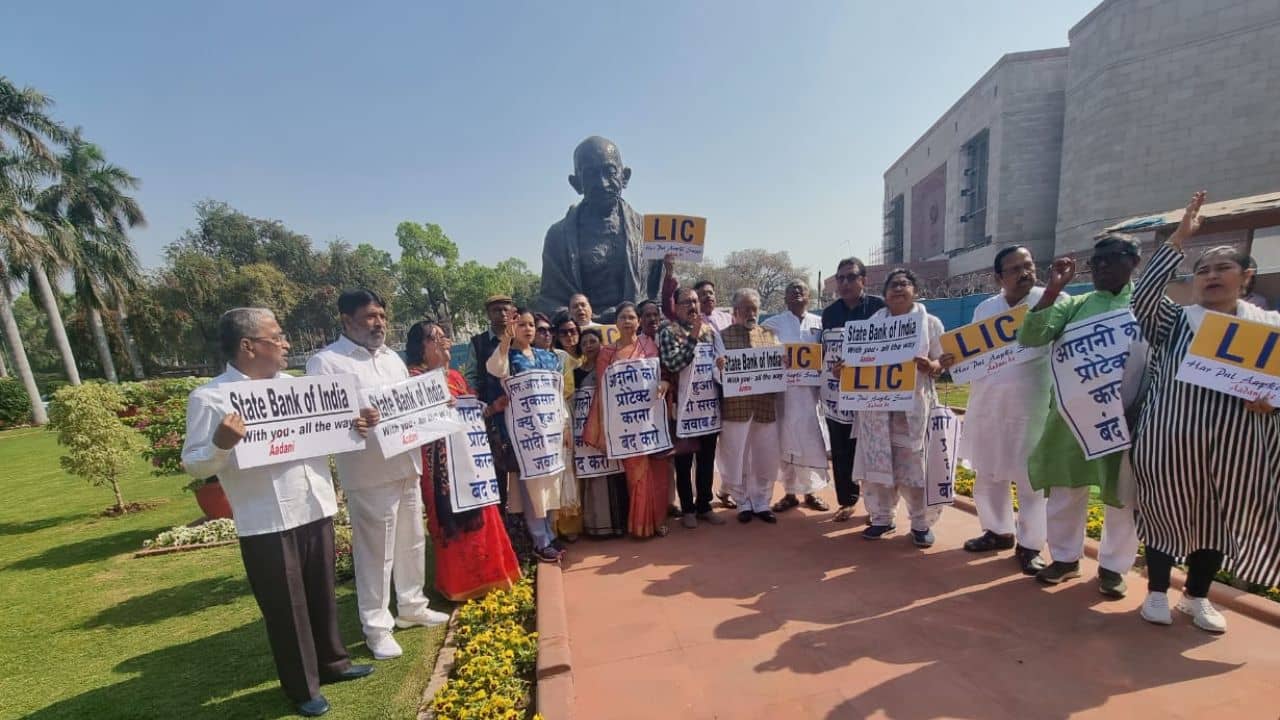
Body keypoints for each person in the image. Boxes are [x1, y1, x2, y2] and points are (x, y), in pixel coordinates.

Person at [182, 308, 373, 717]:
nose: (286, 344)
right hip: (266, 520)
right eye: (278, 337)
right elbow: (195, 464)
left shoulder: (299, 388)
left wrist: (355, 425)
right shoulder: (211, 398)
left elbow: (327, 435)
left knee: (322, 595)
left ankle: (335, 664)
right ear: (249, 346)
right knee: (286, 608)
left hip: (314, 505)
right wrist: (220, 443)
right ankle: (303, 688)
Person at [1131, 191, 1280, 632]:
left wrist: (1272, 402)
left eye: (1222, 268)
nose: (1211, 276)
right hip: (1170, 438)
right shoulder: (1175, 321)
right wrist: (1179, 239)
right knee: (1163, 511)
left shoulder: (1269, 328)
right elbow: (1144, 295)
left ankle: (1196, 597)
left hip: (1240, 445)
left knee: (1219, 519)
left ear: (1246, 276)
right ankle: (1156, 593)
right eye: (1203, 270)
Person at [307, 289, 447, 661]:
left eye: (382, 316)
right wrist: (352, 423)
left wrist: (435, 404)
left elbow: (408, 406)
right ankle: (376, 627)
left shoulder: (391, 360)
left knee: (412, 541)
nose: (379, 323)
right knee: (376, 554)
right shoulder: (326, 363)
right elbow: (322, 424)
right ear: (346, 320)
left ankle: (412, 606)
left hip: (406, 464)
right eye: (370, 316)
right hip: (368, 473)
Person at [1017, 237, 1144, 597]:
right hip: (1072, 418)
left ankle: (1113, 568)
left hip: (1126, 419)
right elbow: (1031, 334)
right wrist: (1054, 289)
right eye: (1096, 261)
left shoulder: (1148, 304)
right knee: (1066, 489)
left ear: (1134, 262)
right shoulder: (1073, 305)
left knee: (1122, 494)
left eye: (1111, 259)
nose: (1101, 266)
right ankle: (1065, 559)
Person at [940, 247, 1053, 575]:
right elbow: (970, 356)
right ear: (999, 277)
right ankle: (997, 531)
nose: (1024, 273)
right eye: (1015, 268)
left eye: (1028, 265)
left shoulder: (1050, 301)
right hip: (988, 405)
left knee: (1031, 480)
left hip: (1033, 407)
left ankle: (1031, 545)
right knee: (988, 473)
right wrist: (952, 361)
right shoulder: (986, 308)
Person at [404, 320, 521, 601]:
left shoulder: (455, 378)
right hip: (439, 466)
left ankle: (493, 576)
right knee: (452, 523)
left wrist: (492, 408)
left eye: (446, 336)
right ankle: (460, 585)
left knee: (485, 514)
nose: (446, 342)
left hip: (471, 462)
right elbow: (410, 425)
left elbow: (470, 416)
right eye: (438, 338)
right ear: (422, 346)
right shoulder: (412, 380)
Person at [854, 270, 946, 546]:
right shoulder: (870, 327)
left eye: (904, 284)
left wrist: (931, 367)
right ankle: (882, 518)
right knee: (879, 468)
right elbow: (857, 363)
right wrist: (843, 371)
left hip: (913, 411)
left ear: (915, 291)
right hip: (876, 412)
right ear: (884, 295)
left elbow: (942, 363)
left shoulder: (930, 324)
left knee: (914, 471)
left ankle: (920, 524)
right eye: (892, 286)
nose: (898, 289)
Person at [536, 136, 662, 322]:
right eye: (590, 174)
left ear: (624, 176)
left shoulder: (650, 231)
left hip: (637, 334)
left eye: (609, 172)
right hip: (584, 337)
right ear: (576, 183)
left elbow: (659, 296)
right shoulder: (558, 236)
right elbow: (549, 301)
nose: (602, 183)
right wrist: (586, 319)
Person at [485, 308, 567, 563]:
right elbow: (495, 368)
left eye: (531, 324)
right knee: (531, 488)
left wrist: (564, 425)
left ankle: (550, 532)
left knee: (550, 483)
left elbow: (556, 393)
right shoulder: (508, 357)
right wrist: (506, 339)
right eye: (522, 325)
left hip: (550, 433)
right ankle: (540, 541)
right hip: (525, 436)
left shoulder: (548, 357)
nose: (529, 329)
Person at [586, 301, 672, 538]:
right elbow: (603, 392)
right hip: (625, 428)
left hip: (650, 422)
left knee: (657, 472)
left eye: (631, 317)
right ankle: (640, 525)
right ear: (616, 323)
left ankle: (659, 520)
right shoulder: (607, 353)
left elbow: (661, 374)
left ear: (638, 321)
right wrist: (603, 430)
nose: (627, 322)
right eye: (622, 317)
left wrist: (665, 383)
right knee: (636, 475)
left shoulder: (649, 345)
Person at [822, 257, 887, 522]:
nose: (845, 283)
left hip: (871, 394)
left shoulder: (879, 309)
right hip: (836, 394)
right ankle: (847, 500)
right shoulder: (829, 313)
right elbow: (826, 352)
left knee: (873, 448)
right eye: (841, 278)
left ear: (864, 279)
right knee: (841, 449)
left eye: (851, 277)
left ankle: (878, 507)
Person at [714, 288, 784, 523]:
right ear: (736, 311)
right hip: (736, 407)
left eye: (754, 308)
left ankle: (762, 502)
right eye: (746, 308)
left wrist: (783, 362)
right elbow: (715, 371)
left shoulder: (770, 335)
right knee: (737, 456)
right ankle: (743, 502)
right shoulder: (722, 336)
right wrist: (720, 368)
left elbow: (780, 368)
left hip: (764, 406)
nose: (751, 313)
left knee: (765, 455)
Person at [659, 287, 727, 529]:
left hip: (708, 408)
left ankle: (704, 506)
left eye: (695, 301)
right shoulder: (668, 332)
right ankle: (687, 508)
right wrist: (692, 338)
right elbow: (673, 362)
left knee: (707, 460)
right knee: (684, 461)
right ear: (676, 307)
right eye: (687, 301)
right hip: (683, 409)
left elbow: (720, 365)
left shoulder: (710, 332)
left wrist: (721, 364)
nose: (693, 306)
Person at [762, 279, 830, 513]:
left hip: (812, 397)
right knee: (786, 442)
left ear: (809, 295)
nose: (797, 291)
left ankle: (811, 492)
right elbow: (761, 349)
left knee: (812, 443)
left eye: (801, 288)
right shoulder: (773, 324)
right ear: (785, 298)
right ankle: (790, 494)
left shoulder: (820, 323)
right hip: (785, 397)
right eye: (791, 289)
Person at [574, 327, 630, 537]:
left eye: (593, 341)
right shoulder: (576, 373)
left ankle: (619, 525)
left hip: (610, 429)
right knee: (594, 479)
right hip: (586, 434)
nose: (589, 346)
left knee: (614, 477)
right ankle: (597, 527)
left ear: (601, 343)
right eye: (585, 343)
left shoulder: (611, 368)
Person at [534, 312, 583, 542]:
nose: (546, 334)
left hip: (561, 415)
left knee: (566, 467)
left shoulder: (561, 357)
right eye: (540, 330)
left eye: (548, 330)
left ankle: (568, 524)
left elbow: (568, 388)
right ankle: (548, 527)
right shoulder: (522, 357)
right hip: (535, 422)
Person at [470, 294, 517, 506]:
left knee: (520, 472)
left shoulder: (521, 337)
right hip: (492, 416)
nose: (503, 313)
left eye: (506, 309)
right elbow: (471, 378)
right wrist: (484, 409)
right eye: (497, 310)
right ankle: (501, 524)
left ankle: (523, 527)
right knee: (496, 471)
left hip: (520, 415)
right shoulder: (478, 343)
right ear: (488, 314)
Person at [658, 253, 734, 331]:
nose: (708, 296)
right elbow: (668, 303)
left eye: (711, 293)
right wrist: (669, 272)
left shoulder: (728, 318)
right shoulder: (690, 318)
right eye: (703, 294)